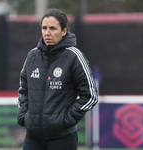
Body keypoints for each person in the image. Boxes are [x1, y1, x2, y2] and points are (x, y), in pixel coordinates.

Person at [17, 8, 98, 150]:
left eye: (53, 28)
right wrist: (25, 116)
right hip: (33, 137)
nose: (47, 33)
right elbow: (23, 90)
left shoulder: (74, 57)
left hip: (62, 138)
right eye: (44, 28)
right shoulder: (32, 56)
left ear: (64, 31)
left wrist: (66, 120)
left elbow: (90, 95)